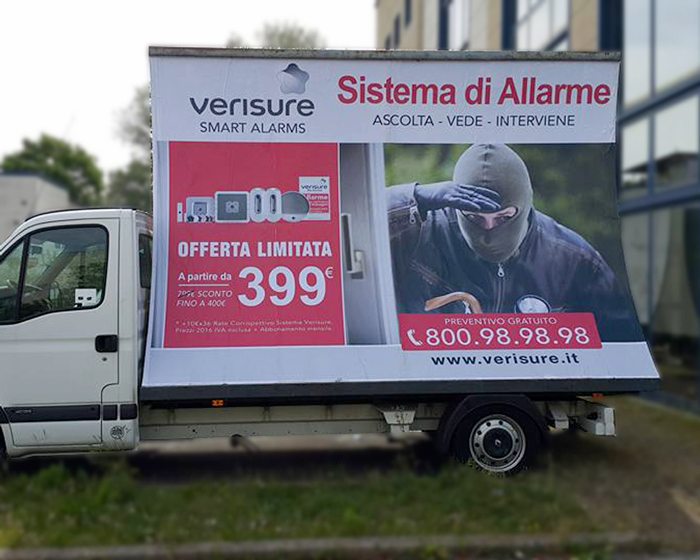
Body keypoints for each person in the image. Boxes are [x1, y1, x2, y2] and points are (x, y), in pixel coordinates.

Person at [387, 143, 641, 342]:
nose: (488, 232)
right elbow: (351, 225)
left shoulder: (574, 260)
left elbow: (623, 351)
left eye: (503, 218)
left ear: (524, 206)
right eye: (474, 217)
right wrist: (412, 197)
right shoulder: (418, 236)